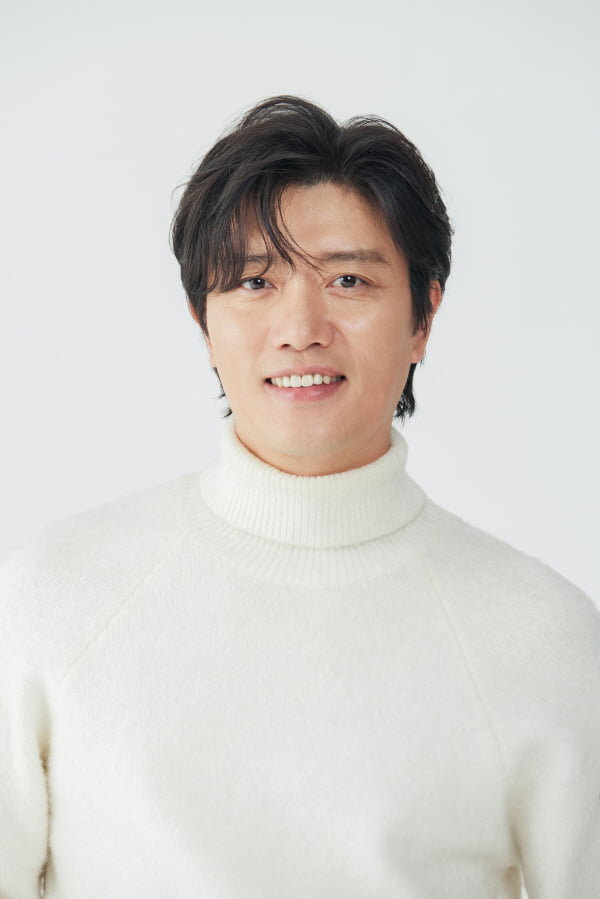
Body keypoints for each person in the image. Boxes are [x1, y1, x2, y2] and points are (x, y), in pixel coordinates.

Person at [1, 96, 598, 899]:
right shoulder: (49, 598)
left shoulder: (544, 635)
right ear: (203, 322)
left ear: (423, 315)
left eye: (349, 279)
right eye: (255, 281)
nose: (300, 326)